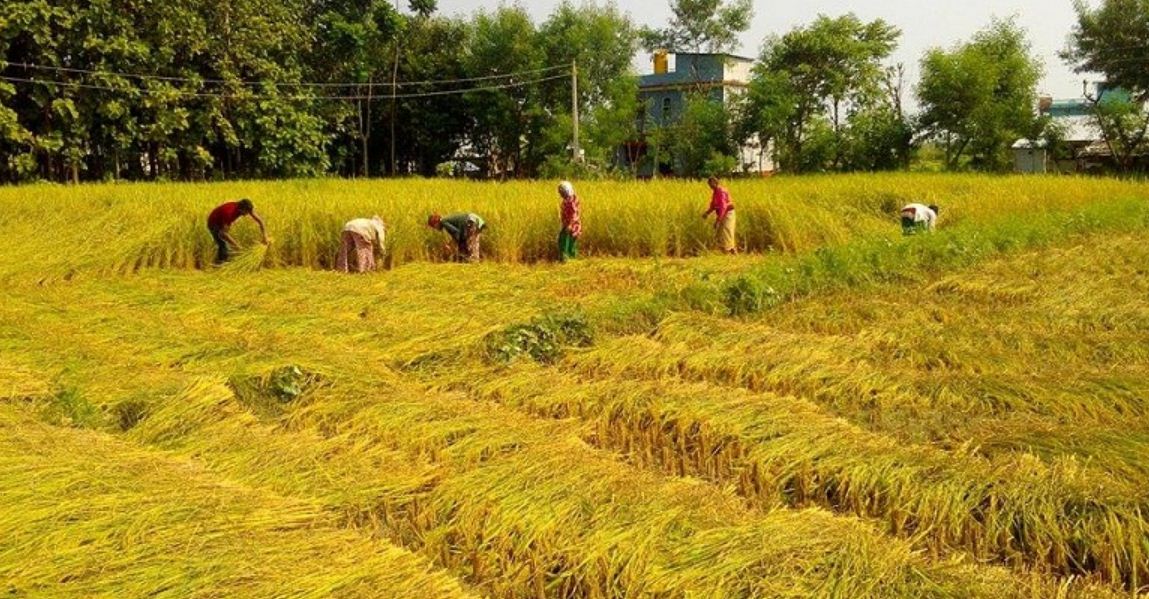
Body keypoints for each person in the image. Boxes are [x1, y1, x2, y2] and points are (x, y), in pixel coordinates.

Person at [207, 198, 267, 264]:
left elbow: (260, 221)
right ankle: (220, 266)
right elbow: (224, 233)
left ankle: (224, 261)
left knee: (228, 244)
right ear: (241, 209)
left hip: (222, 221)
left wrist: (265, 236)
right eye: (246, 212)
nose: (247, 214)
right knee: (223, 244)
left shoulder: (246, 208)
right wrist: (238, 247)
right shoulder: (229, 212)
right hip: (214, 223)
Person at [701, 176, 736, 254]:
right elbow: (713, 205)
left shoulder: (721, 191)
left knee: (726, 231)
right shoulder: (715, 192)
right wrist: (707, 213)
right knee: (721, 232)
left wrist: (718, 220)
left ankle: (728, 251)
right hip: (722, 213)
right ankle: (730, 250)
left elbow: (723, 207)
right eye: (709, 184)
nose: (710, 186)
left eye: (711, 184)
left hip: (728, 213)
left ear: (715, 183)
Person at [557, 180, 582, 262]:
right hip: (569, 224)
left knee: (566, 241)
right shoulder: (569, 199)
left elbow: (573, 214)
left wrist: (570, 225)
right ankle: (570, 258)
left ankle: (566, 259)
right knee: (568, 241)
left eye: (562, 192)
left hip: (571, 225)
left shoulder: (571, 201)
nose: (561, 194)